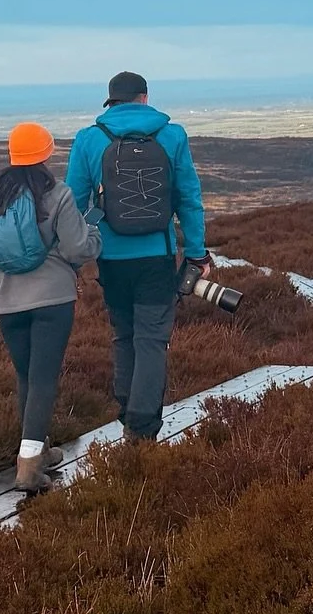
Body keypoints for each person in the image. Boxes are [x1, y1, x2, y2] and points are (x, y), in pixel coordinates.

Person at [65, 72, 207, 443]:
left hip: (109, 258)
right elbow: (189, 199)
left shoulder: (89, 139)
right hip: (157, 256)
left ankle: (128, 411)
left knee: (123, 334)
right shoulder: (172, 135)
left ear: (110, 102)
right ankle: (142, 429)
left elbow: (73, 205)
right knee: (152, 339)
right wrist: (196, 253)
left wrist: (72, 262)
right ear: (144, 98)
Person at [0, 122, 101, 496]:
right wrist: (95, 238)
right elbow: (76, 250)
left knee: (26, 376)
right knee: (43, 379)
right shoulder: (58, 195)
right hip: (52, 300)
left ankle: (38, 451)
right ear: (47, 153)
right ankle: (27, 470)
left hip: (5, 304)